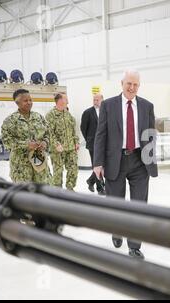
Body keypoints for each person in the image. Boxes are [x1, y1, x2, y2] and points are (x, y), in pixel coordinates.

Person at [93, 70, 158, 260]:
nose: (132, 88)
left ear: (139, 85)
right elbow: (101, 135)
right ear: (122, 83)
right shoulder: (108, 105)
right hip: (116, 161)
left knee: (139, 206)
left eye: (135, 85)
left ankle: (134, 246)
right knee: (117, 204)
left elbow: (150, 134)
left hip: (139, 161)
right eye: (129, 83)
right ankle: (116, 230)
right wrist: (98, 162)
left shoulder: (147, 106)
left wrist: (151, 161)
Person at [1, 89, 50, 183]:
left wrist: (45, 142)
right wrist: (26, 144)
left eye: (30, 100)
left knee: (42, 191)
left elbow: (47, 133)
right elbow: (7, 142)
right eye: (25, 101)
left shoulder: (38, 117)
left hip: (39, 162)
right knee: (23, 195)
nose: (29, 102)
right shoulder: (10, 120)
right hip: (21, 166)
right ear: (17, 103)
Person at [46, 93, 80, 191]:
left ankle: (70, 188)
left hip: (71, 148)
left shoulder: (67, 114)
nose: (68, 101)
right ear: (60, 101)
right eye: (66, 99)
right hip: (58, 150)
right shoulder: (50, 115)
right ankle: (58, 190)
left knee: (73, 169)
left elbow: (73, 130)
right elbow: (49, 133)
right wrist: (56, 145)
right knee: (58, 170)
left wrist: (76, 142)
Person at [80, 94, 106, 195]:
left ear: (102, 101)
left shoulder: (105, 111)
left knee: (102, 165)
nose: (95, 102)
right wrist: (89, 139)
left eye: (97, 100)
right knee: (96, 165)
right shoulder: (87, 112)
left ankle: (90, 181)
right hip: (93, 144)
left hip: (104, 144)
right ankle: (100, 188)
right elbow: (83, 128)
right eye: (94, 100)